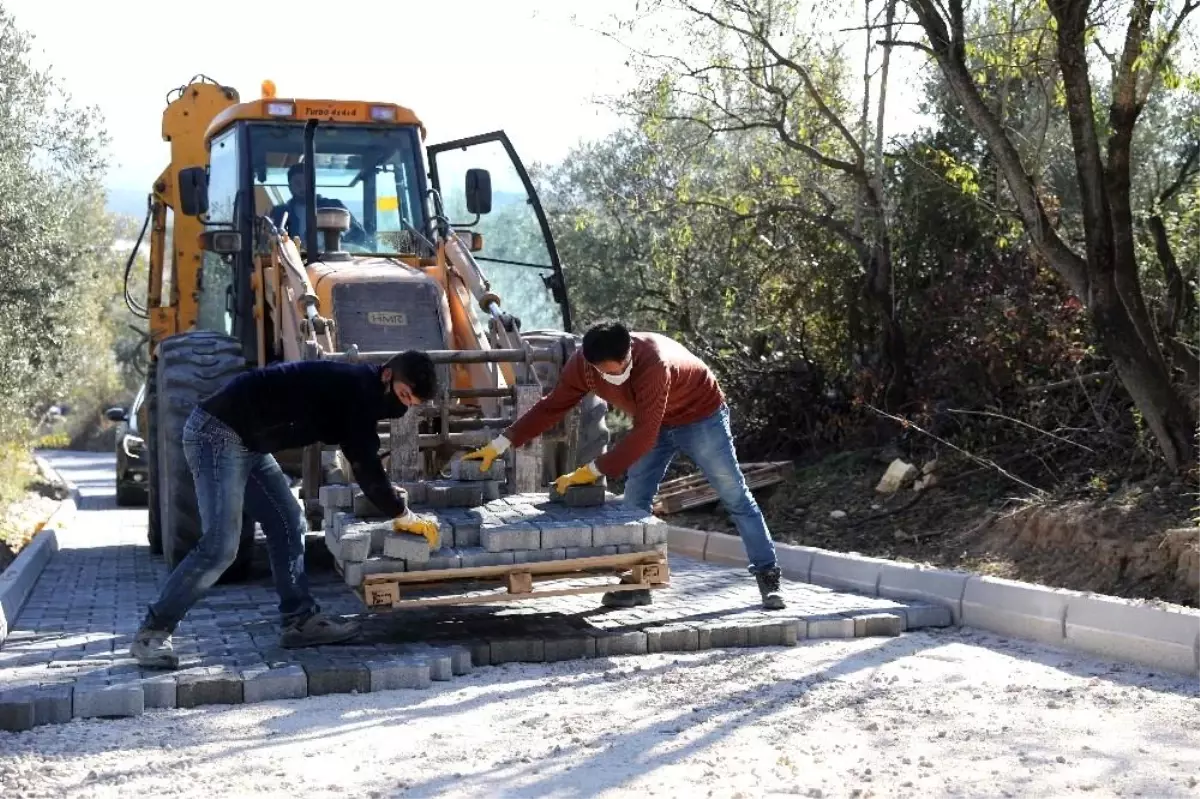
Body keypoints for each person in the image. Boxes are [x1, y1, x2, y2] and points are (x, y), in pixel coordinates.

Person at [131, 352, 441, 668]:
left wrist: (395, 507)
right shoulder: (357, 389)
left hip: (248, 442)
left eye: (412, 403)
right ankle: (152, 634)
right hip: (217, 433)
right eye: (403, 395)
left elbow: (362, 451)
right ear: (388, 376)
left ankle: (299, 621)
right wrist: (402, 513)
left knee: (289, 522)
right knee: (221, 547)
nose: (403, 406)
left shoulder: (366, 392)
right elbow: (365, 464)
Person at [464, 321, 785, 610]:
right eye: (606, 371)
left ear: (630, 351)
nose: (615, 373)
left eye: (620, 367)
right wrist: (500, 444)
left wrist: (591, 470)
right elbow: (552, 406)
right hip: (653, 423)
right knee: (633, 506)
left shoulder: (653, 363)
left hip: (700, 417)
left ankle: (768, 578)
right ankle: (638, 584)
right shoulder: (583, 367)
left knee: (734, 496)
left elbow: (643, 437)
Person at [269, 162, 368, 245]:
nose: (302, 187)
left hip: (331, 261)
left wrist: (339, 242)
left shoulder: (334, 206)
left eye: (305, 183)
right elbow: (271, 241)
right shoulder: (280, 213)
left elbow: (359, 234)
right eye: (297, 183)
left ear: (313, 184)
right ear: (290, 187)